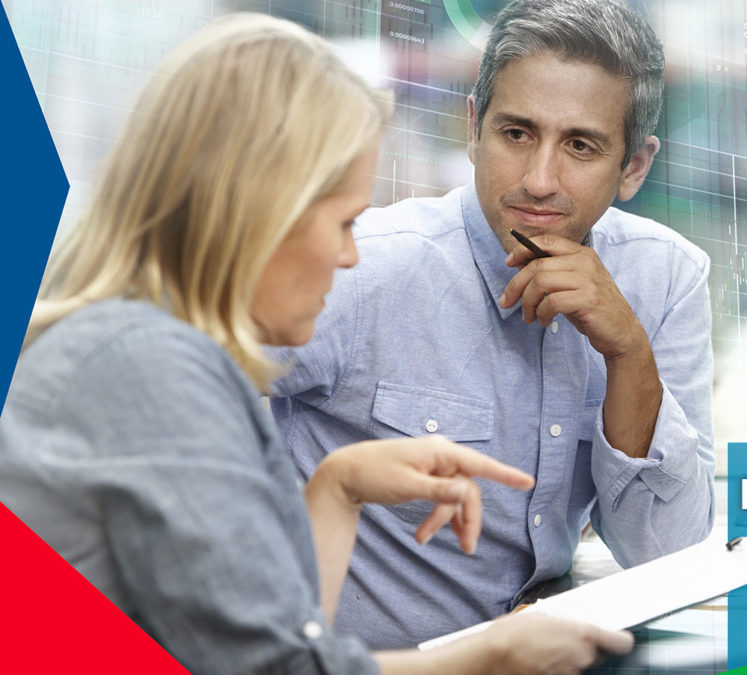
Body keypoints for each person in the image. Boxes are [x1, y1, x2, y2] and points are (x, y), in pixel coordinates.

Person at [0, 13, 633, 674]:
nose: (350, 255)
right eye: (343, 221)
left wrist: (339, 486)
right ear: (258, 210)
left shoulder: (146, 350)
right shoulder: (147, 371)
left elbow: (282, 638)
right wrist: (494, 653)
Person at [271, 0, 716, 649]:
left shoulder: (666, 279)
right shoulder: (360, 267)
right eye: (517, 134)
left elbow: (672, 557)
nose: (538, 180)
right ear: (474, 127)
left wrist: (629, 356)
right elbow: (170, 410)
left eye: (580, 146)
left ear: (635, 167)